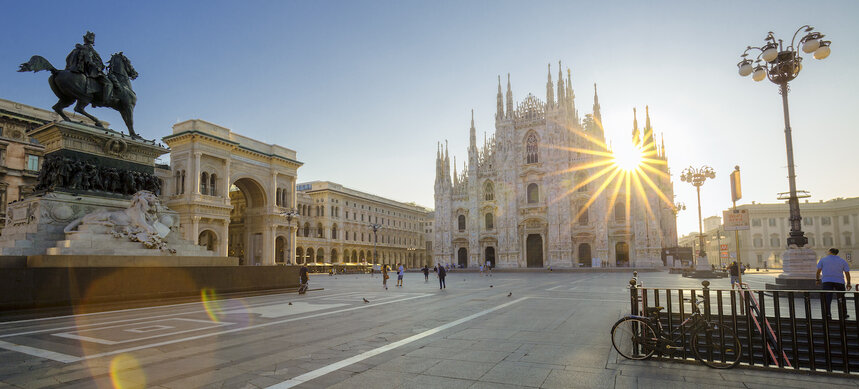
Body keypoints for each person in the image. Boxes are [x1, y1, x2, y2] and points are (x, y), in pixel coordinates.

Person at [817, 248, 852, 319]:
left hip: (827, 281)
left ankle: (827, 314)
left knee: (827, 298)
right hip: (839, 281)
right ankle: (843, 314)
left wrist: (817, 280)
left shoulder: (823, 260)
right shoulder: (842, 261)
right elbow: (847, 273)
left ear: (829, 252)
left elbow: (818, 271)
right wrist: (848, 283)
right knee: (841, 298)